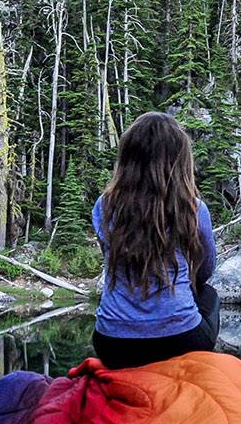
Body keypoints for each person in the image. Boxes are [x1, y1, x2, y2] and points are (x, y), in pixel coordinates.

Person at [90, 111, 219, 369]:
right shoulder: (194, 208)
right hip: (181, 340)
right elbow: (205, 270)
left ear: (127, 157)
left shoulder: (104, 206)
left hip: (112, 343)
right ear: (179, 160)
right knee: (209, 295)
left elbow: (110, 258)